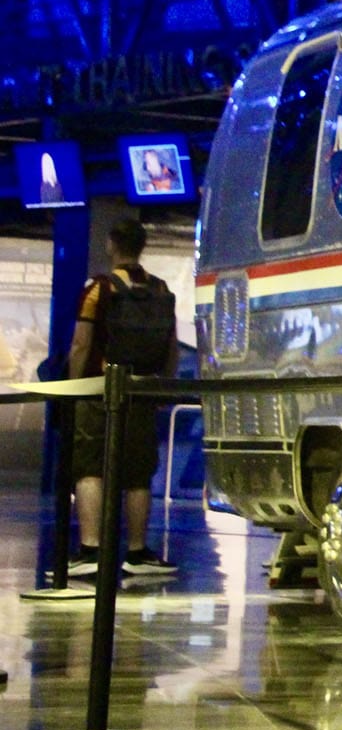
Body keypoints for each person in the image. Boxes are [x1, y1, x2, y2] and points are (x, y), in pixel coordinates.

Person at [67, 218, 179, 576]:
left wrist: (73, 387)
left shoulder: (99, 288)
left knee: (89, 469)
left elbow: (82, 343)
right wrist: (162, 386)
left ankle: (91, 551)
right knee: (138, 474)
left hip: (99, 392)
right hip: (141, 391)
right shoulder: (161, 289)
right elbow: (172, 347)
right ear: (142, 246)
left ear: (112, 244)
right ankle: (137, 552)